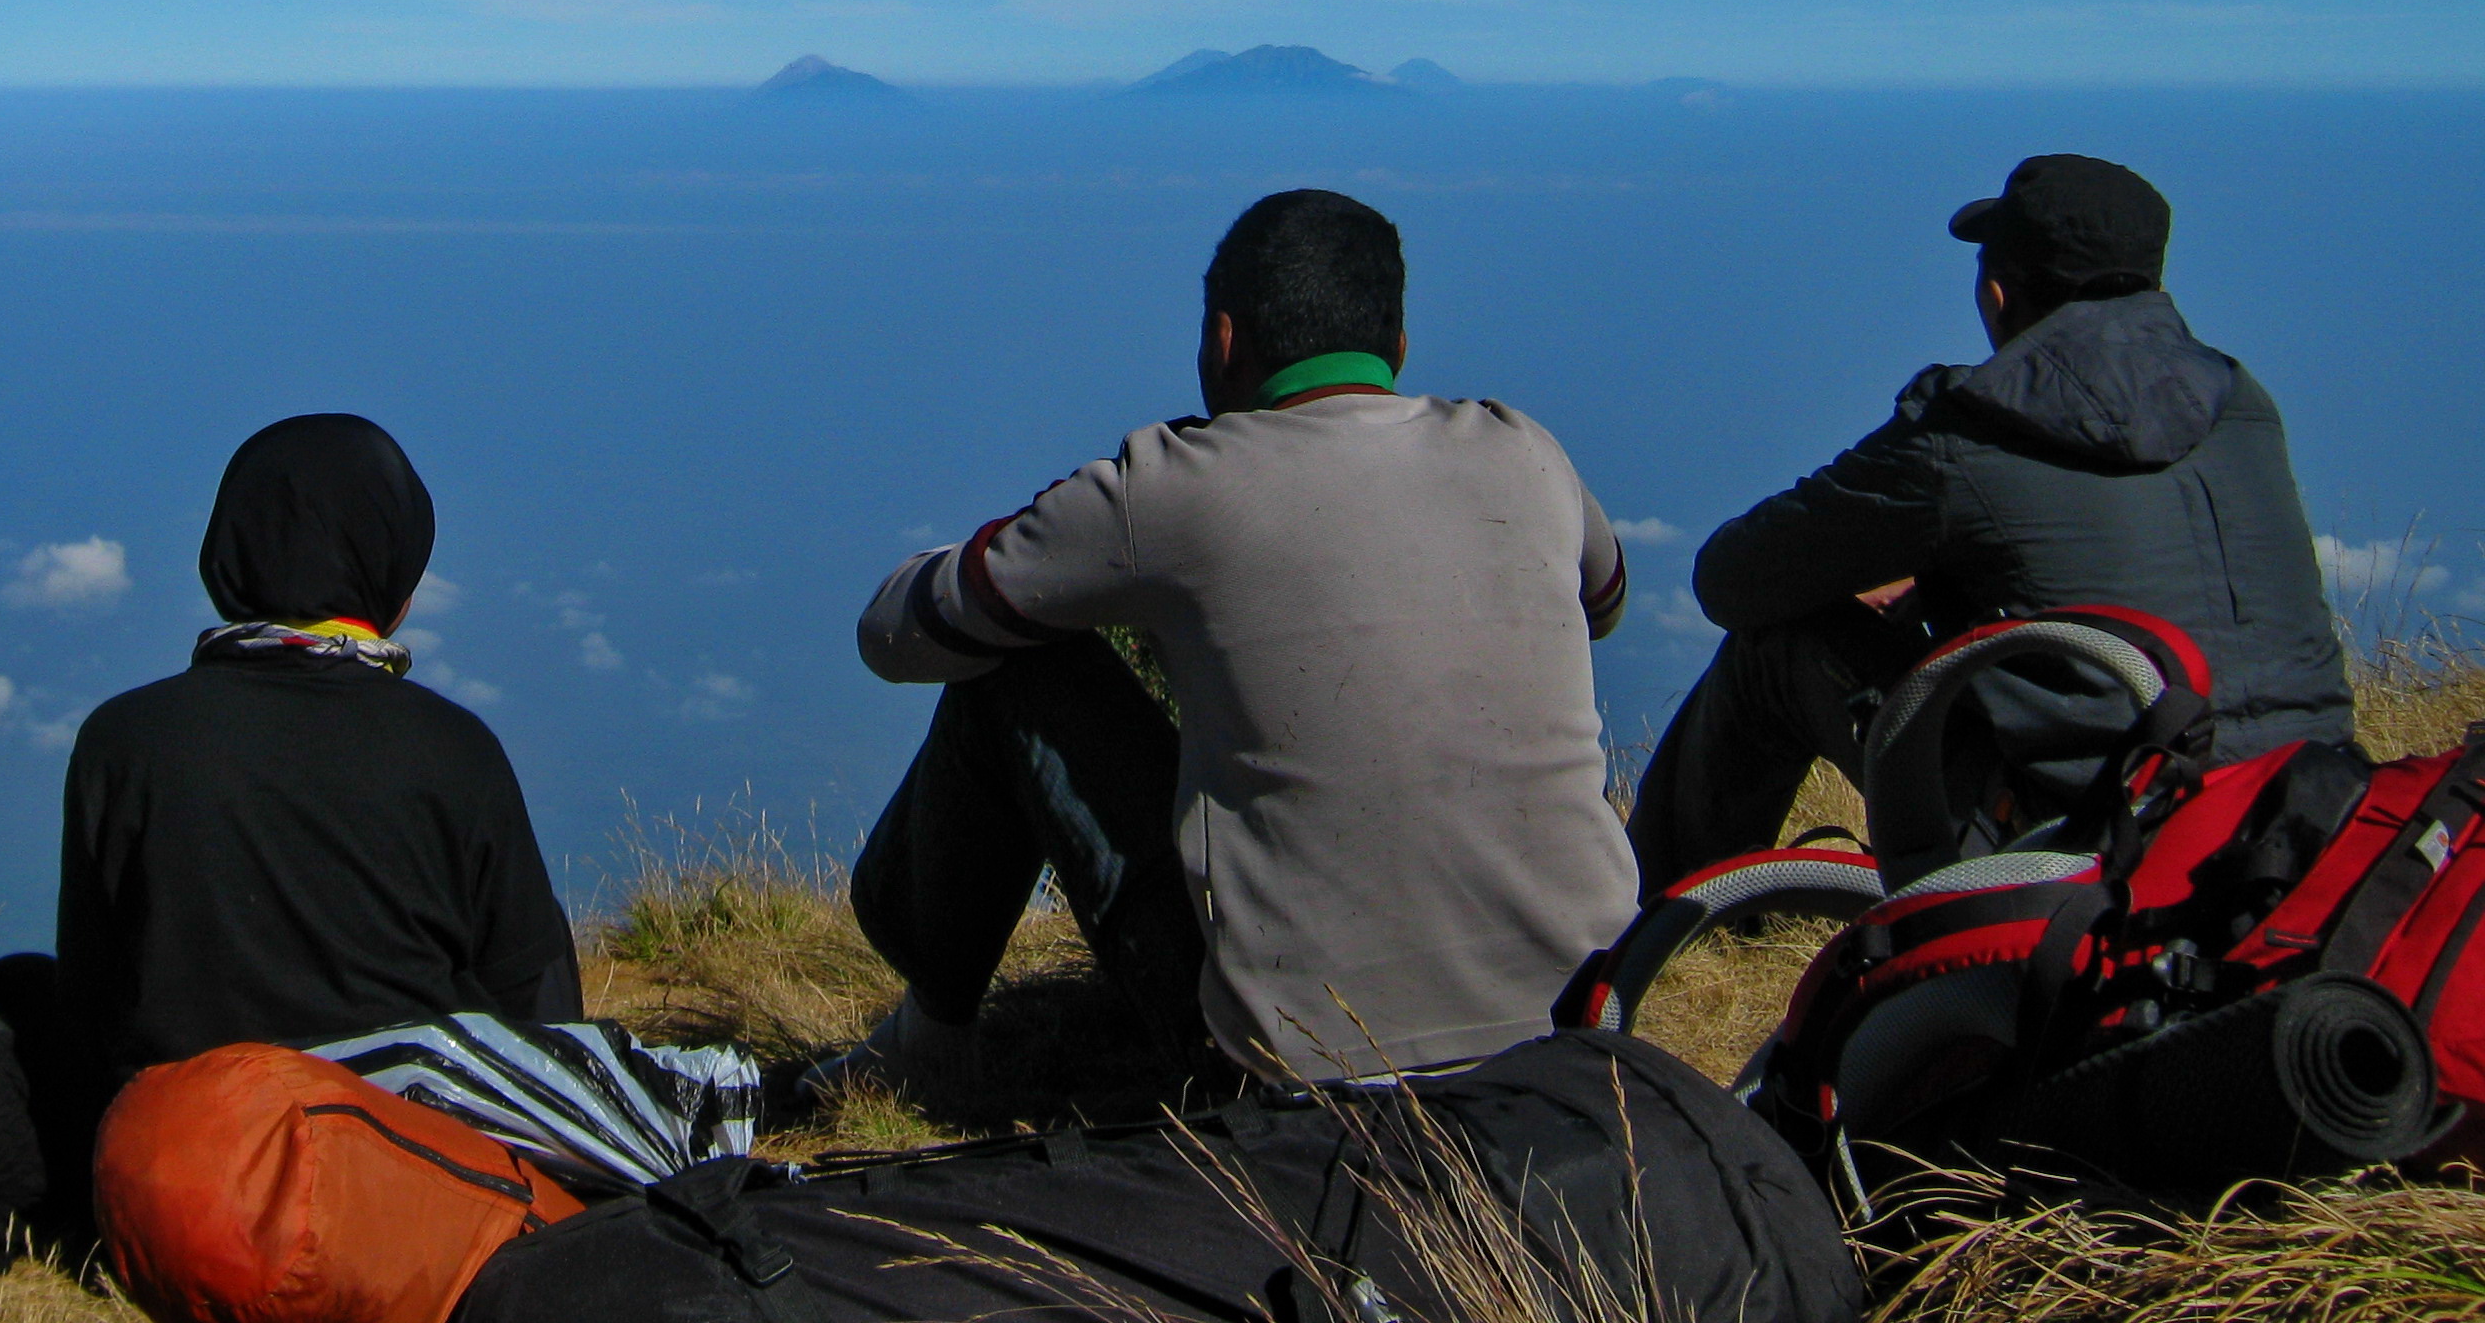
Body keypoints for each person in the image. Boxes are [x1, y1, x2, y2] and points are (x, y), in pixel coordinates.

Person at [835, 188, 1640, 1101]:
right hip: (1587, 1035)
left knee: (1021, 666)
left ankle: (930, 1041)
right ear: (1398, 349)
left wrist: (1050, 552)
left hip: (1300, 1077)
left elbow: (894, 634)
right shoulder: (1526, 451)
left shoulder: (1171, 487)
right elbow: (1602, 602)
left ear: (1223, 340)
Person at [1629, 153, 2354, 898]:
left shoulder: (1965, 436)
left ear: (1999, 294)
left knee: (1777, 646)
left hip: (2089, 844)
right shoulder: (2242, 403)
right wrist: (1952, 577)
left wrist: (1901, 557)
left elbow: (1735, 580)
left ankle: (1657, 918)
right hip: (2306, 817)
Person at [56, 413, 580, 1080]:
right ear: (390, 563)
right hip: (404, 1155)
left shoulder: (124, 740)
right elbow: (534, 1004)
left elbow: (89, 998)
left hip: (182, 1156)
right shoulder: (453, 749)